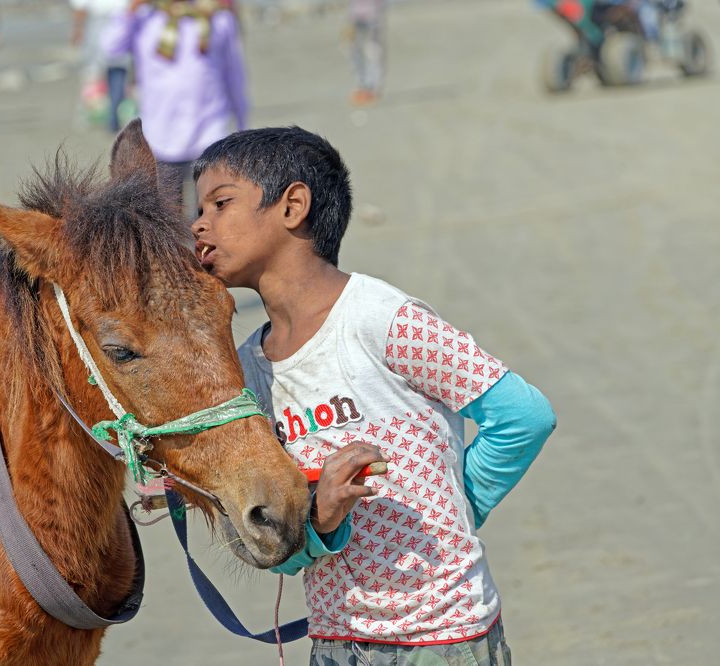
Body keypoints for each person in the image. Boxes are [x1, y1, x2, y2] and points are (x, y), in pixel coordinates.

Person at [191, 127, 556, 665]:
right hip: (336, 644)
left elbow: (523, 417)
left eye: (221, 204)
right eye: (199, 209)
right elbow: (277, 545)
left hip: (444, 637)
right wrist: (320, 521)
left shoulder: (378, 319)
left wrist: (460, 507)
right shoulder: (249, 370)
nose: (199, 223)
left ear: (293, 206)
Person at [102, 0, 248, 213]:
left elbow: (234, 74)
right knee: (169, 219)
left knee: (212, 216)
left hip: (209, 134)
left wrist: (243, 123)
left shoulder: (218, 18)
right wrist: (132, 8)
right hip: (161, 138)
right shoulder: (145, 19)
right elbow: (111, 47)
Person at [71, 0, 130, 133]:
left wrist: (77, 29)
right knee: (115, 74)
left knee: (97, 74)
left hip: (109, 24)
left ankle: (111, 117)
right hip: (115, 23)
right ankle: (111, 117)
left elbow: (79, 7)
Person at [348, 0, 386, 106]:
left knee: (373, 50)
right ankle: (361, 85)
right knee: (354, 50)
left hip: (372, 13)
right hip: (354, 13)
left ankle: (372, 88)